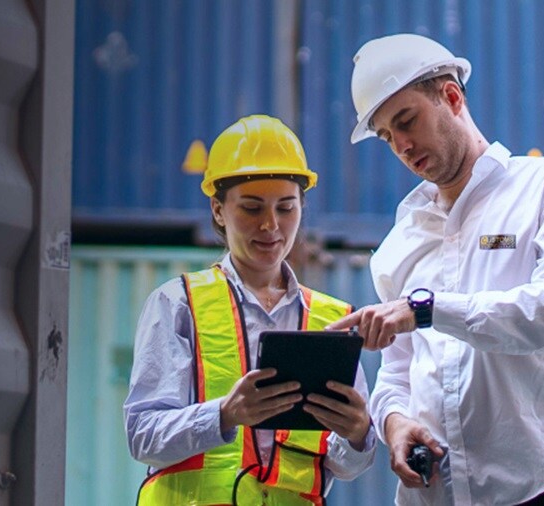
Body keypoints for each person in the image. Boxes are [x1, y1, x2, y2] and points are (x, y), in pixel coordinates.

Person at [327, 33, 544, 505]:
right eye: (386, 136)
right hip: (436, 494)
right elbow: (397, 372)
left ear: (452, 97)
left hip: (542, 489)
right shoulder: (400, 243)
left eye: (406, 121)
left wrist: (427, 309)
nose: (401, 145)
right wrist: (395, 422)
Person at [124, 114, 376, 505]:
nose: (271, 225)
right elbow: (143, 435)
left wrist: (359, 434)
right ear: (219, 210)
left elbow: (344, 465)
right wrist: (224, 415)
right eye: (252, 208)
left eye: (286, 208)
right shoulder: (178, 304)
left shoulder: (334, 319)